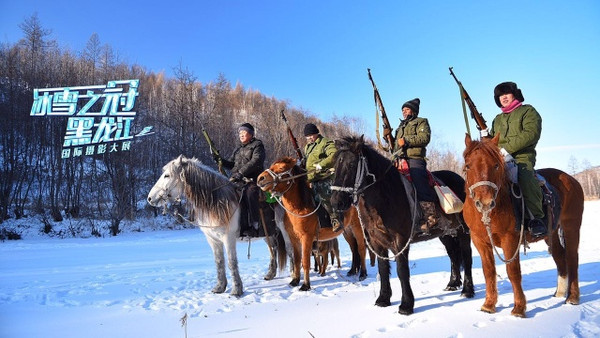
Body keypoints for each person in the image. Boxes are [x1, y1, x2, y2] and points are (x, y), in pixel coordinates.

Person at [486, 82, 546, 238]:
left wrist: (507, 148)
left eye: (507, 93)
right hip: (500, 159)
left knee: (524, 177)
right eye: (500, 95)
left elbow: (531, 134)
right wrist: (485, 137)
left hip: (522, 157)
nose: (504, 97)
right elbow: (493, 141)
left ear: (515, 94)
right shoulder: (497, 119)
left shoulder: (528, 111)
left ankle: (535, 219)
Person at [392, 98, 440, 234]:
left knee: (419, 182)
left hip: (415, 159)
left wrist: (406, 141)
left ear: (413, 111)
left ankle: (430, 216)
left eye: (406, 109)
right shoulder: (400, 127)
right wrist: (389, 139)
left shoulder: (421, 122)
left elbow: (425, 138)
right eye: (403, 110)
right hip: (399, 160)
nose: (404, 112)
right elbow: (396, 146)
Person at [219, 123, 266, 237]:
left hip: (252, 180)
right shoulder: (238, 149)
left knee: (250, 193)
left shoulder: (258, 145)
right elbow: (231, 164)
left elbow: (256, 161)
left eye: (244, 132)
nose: (241, 135)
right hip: (237, 180)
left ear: (250, 134)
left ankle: (254, 225)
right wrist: (220, 160)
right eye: (240, 133)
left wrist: (241, 173)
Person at [303, 123, 342, 232]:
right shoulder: (307, 147)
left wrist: (322, 164)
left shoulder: (326, 142)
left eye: (311, 135)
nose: (309, 138)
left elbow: (334, 155)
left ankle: (335, 219)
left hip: (325, 176)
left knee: (323, 195)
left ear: (316, 133)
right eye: (307, 136)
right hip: (311, 177)